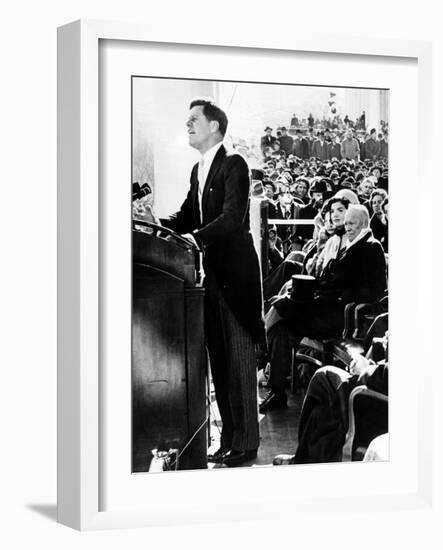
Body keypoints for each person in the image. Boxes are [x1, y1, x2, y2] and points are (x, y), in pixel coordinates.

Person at [160, 98, 264, 467]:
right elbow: (188, 213)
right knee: (220, 365)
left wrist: (195, 238)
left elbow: (232, 217)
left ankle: (247, 444)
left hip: (236, 280)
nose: (187, 125)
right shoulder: (198, 169)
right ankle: (228, 441)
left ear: (215, 127)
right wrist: (156, 222)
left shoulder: (234, 164)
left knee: (239, 364)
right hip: (212, 280)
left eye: (194, 120)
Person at [260, 204, 387, 412]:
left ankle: (259, 350)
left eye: (352, 223)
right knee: (281, 327)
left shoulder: (371, 246)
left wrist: (334, 289)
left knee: (282, 305)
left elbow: (373, 289)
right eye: (346, 223)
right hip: (324, 307)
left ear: (364, 223)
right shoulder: (351, 245)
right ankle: (277, 392)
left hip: (339, 315)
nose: (348, 228)